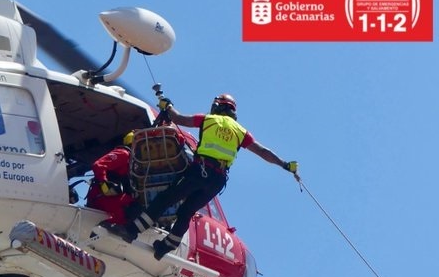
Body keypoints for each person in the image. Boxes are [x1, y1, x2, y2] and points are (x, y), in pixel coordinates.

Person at [106, 94, 299, 260]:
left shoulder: (208, 119)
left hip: (200, 170)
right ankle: (166, 247)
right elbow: (263, 152)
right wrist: (285, 165)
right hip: (217, 180)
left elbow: (179, 119)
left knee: (166, 198)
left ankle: (131, 231)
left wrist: (167, 106)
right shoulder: (241, 132)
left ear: (217, 106)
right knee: (186, 211)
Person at [86, 131, 138, 225]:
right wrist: (104, 183)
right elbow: (98, 165)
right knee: (137, 206)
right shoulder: (124, 154)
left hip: (108, 200)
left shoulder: (133, 163)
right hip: (103, 198)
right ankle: (110, 224)